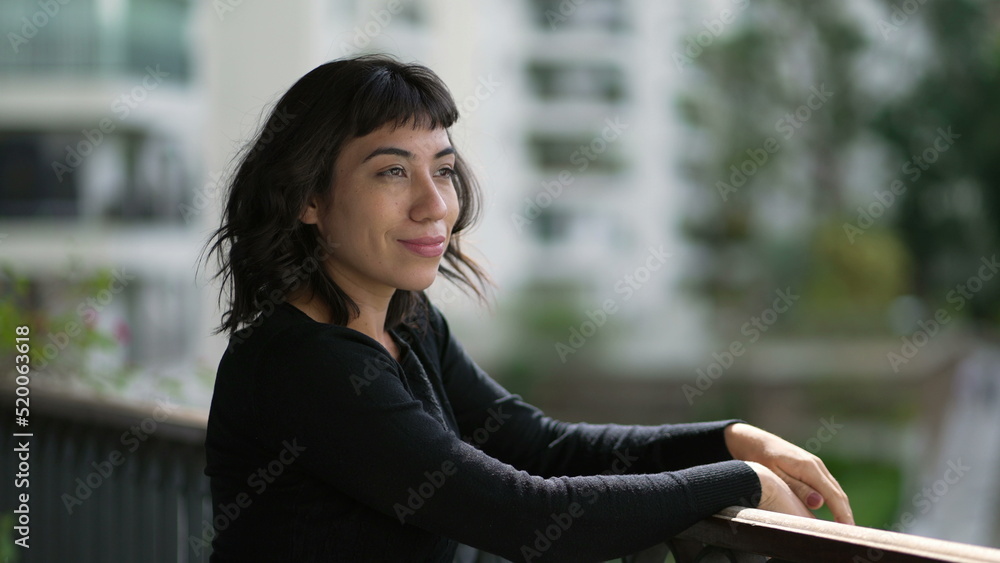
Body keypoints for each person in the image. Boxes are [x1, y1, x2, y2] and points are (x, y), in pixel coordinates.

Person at [202, 54, 853, 562]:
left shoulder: (409, 323)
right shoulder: (302, 364)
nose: (435, 204)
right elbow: (529, 517)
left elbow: (542, 447)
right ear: (308, 198)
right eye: (392, 172)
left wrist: (727, 438)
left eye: (443, 169)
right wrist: (742, 482)